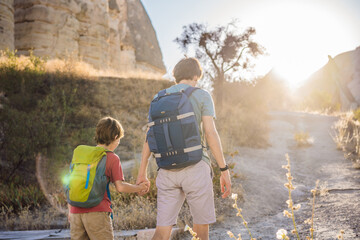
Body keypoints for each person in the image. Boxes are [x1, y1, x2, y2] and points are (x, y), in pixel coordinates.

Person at [136, 58, 232, 240]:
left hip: (166, 170)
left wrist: (142, 173)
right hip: (196, 166)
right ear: (196, 76)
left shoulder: (158, 98)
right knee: (201, 230)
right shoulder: (202, 95)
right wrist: (224, 169)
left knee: (162, 231)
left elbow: (149, 137)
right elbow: (211, 134)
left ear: (176, 76)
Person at [68, 117, 148, 240]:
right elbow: (120, 187)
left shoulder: (81, 154)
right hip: (97, 213)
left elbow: (70, 183)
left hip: (75, 213)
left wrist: (70, 210)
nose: (118, 143)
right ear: (115, 137)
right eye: (119, 139)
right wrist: (139, 187)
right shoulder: (112, 158)